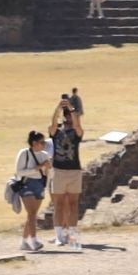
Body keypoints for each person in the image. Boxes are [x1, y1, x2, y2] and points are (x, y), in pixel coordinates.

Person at [48, 96, 84, 247]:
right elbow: (53, 123)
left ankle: (72, 234)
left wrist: (71, 108)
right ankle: (59, 236)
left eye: (70, 117)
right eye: (67, 116)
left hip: (74, 171)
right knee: (58, 205)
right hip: (59, 171)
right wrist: (58, 107)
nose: (68, 118)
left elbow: (78, 125)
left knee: (73, 204)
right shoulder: (55, 132)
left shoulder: (77, 133)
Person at [13, 131, 51, 251]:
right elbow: (19, 172)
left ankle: (24, 242)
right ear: (34, 143)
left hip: (39, 185)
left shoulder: (44, 155)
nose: (44, 144)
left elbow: (47, 173)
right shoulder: (24, 153)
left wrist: (48, 169)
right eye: (42, 142)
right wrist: (38, 167)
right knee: (32, 214)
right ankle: (34, 241)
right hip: (26, 185)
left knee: (31, 215)